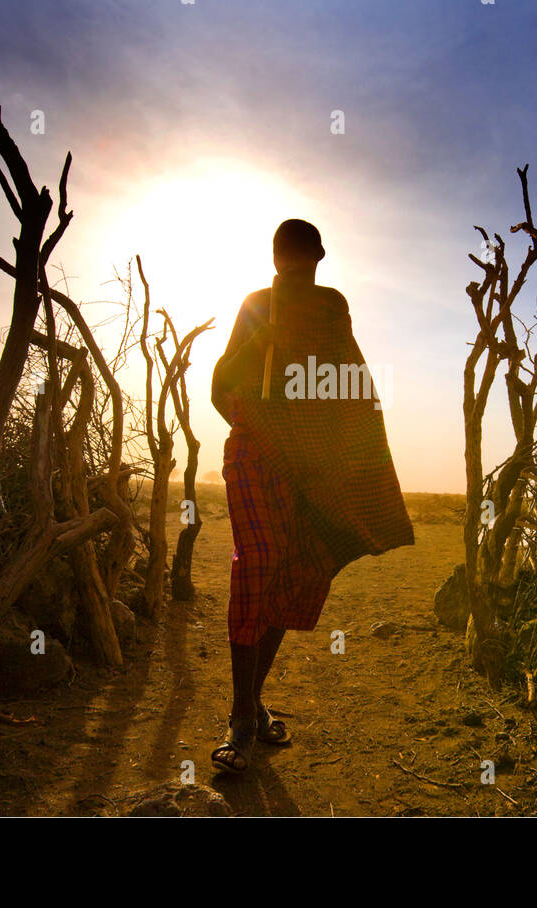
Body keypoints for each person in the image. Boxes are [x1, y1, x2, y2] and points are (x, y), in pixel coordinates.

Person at [209, 218, 414, 774]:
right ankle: (240, 717)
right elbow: (219, 387)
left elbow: (350, 385)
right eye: (288, 259)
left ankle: (250, 705)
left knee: (296, 573)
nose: (296, 268)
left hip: (313, 466)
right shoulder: (255, 305)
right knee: (258, 562)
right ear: (275, 260)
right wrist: (260, 342)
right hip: (254, 452)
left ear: (320, 258)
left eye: (304, 260)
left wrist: (347, 458)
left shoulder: (331, 307)